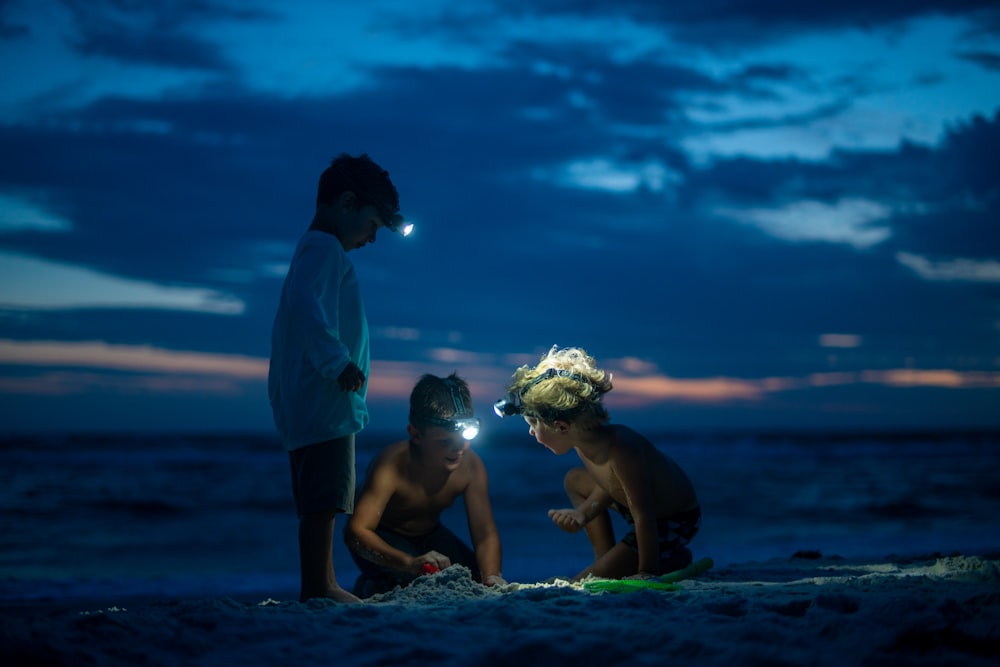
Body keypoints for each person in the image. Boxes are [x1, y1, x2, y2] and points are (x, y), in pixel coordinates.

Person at [268, 153, 410, 602]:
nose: (371, 238)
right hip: (324, 397)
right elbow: (310, 310)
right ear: (347, 203)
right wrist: (338, 364)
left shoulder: (313, 249)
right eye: (372, 225)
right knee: (323, 500)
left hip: (315, 400)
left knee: (322, 499)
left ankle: (323, 582)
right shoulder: (324, 249)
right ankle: (320, 586)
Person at [494, 346, 701, 581]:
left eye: (533, 424)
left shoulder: (621, 449)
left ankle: (653, 563)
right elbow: (609, 483)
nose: (531, 432)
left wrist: (647, 573)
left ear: (561, 427)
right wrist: (582, 514)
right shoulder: (584, 442)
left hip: (671, 520)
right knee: (574, 479)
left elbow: (644, 514)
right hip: (643, 512)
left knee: (581, 581)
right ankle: (608, 558)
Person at [344, 373, 505, 597]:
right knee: (416, 580)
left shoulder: (470, 466)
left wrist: (491, 577)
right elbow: (355, 532)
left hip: (431, 535)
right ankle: (369, 585)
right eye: (445, 442)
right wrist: (408, 563)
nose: (458, 449)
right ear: (415, 434)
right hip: (381, 538)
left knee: (474, 578)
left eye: (465, 438)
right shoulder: (392, 464)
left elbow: (485, 534)